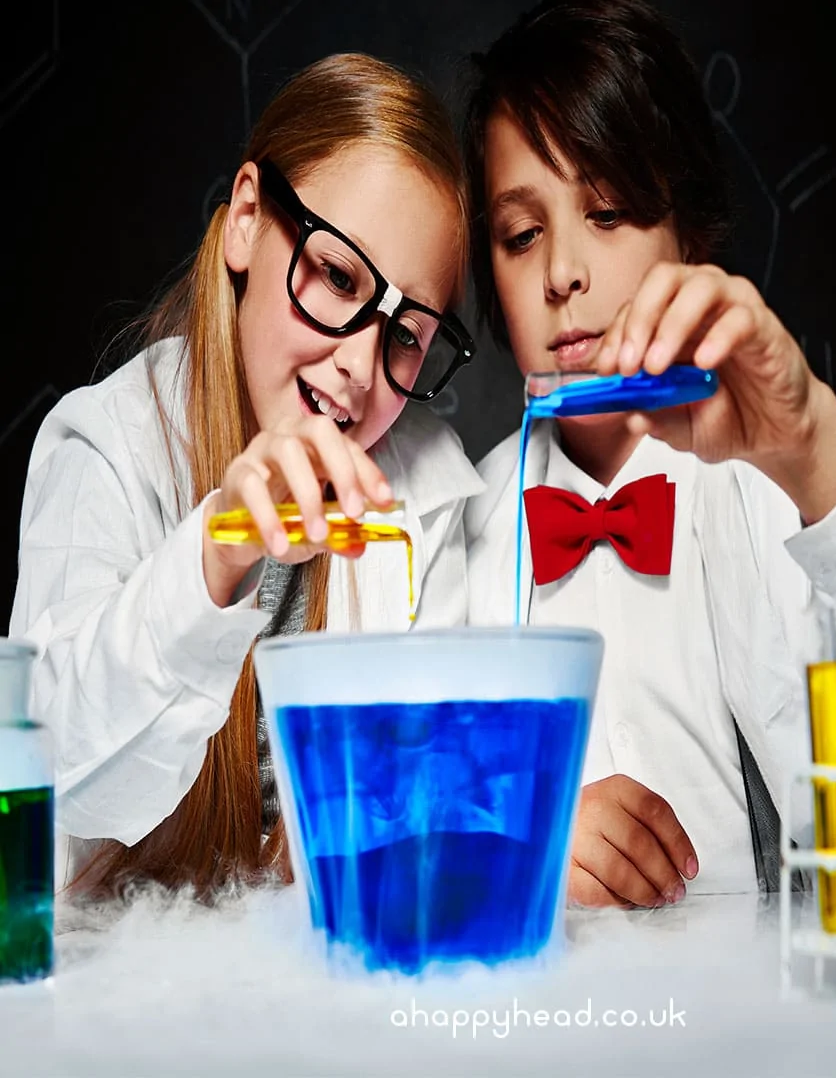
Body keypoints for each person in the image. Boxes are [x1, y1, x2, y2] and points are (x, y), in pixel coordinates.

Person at [462, 0, 836, 907]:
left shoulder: (791, 475)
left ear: (690, 235)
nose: (562, 270)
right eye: (521, 234)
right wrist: (506, 850)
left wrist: (817, 459)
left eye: (608, 211)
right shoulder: (455, 531)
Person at [9, 53, 483, 896]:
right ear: (247, 219)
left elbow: (430, 800)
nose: (360, 368)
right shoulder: (107, 446)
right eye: (339, 277)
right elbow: (58, 774)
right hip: (121, 992)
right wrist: (217, 551)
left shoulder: (429, 490)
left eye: (407, 334)